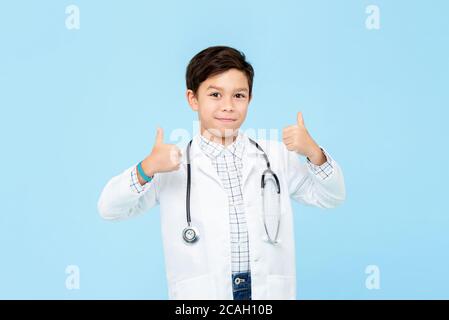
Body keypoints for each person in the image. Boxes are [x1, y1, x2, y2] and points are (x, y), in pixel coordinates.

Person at [97, 45, 346, 300]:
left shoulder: (276, 157)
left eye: (238, 95)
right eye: (215, 95)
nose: (228, 106)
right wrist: (146, 168)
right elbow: (109, 209)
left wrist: (314, 153)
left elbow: (332, 198)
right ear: (193, 99)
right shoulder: (169, 163)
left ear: (249, 98)